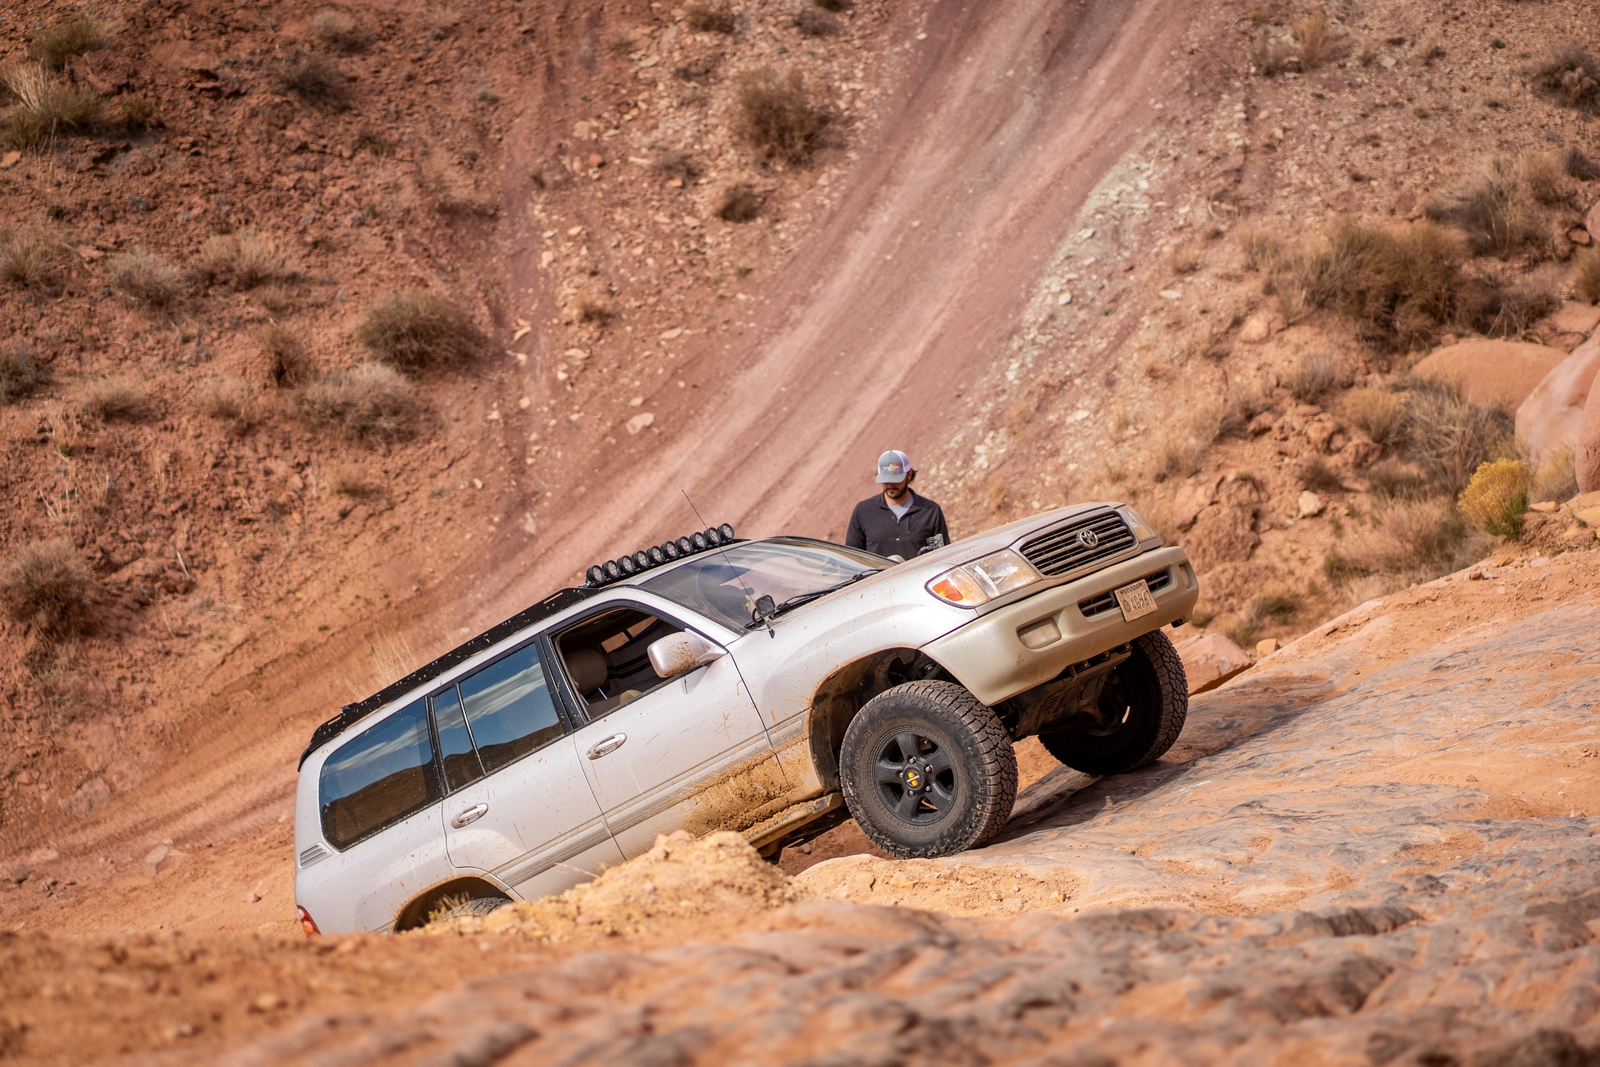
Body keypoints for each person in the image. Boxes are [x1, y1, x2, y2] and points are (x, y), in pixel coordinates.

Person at [845, 450, 951, 561]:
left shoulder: (931, 511)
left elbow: (944, 556)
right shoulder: (863, 511)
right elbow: (852, 559)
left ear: (909, 475)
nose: (890, 485)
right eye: (885, 481)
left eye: (896, 480)